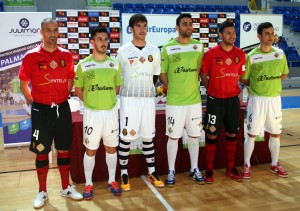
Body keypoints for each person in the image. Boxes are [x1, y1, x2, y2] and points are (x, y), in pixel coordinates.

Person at [19, 18, 83, 209]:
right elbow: (23, 85)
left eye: (55, 30)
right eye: (48, 30)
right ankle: (42, 192)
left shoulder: (66, 55)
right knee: (41, 151)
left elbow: (70, 80)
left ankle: (66, 187)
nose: (52, 34)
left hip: (62, 109)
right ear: (41, 32)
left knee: (64, 149)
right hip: (41, 110)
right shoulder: (31, 56)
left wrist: (62, 95)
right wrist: (35, 103)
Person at [116, 14, 164, 191]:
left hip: (147, 100)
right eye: (138, 26)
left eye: (145, 26)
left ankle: (152, 172)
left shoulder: (154, 50)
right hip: (129, 100)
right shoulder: (123, 51)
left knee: (148, 136)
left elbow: (156, 75)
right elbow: (116, 76)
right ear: (131, 29)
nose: (142, 29)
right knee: (126, 137)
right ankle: (124, 174)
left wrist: (145, 91)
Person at [74, 27, 123, 199]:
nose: (104, 42)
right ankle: (88, 184)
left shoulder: (114, 64)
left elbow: (116, 88)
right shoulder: (83, 65)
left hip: (110, 112)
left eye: (105, 39)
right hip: (92, 114)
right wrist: (90, 102)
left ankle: (111, 181)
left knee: (111, 147)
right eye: (100, 39)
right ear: (92, 42)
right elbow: (78, 90)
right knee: (91, 149)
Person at [160, 13, 205, 187]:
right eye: (184, 24)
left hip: (194, 101)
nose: (188, 27)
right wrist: (172, 88)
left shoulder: (199, 47)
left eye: (190, 24)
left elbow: (199, 70)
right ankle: (171, 170)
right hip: (175, 102)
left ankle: (194, 168)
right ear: (178, 28)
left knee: (194, 137)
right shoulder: (168, 47)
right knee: (173, 138)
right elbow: (163, 73)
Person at [241, 22, 289, 179]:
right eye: (267, 34)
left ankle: (274, 164)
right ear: (259, 36)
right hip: (257, 101)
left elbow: (284, 74)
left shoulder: (280, 54)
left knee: (275, 134)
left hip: (274, 100)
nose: (271, 37)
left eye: (272, 33)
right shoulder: (251, 56)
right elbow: (245, 79)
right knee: (252, 134)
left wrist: (270, 83)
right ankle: (246, 165)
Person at [200, 21, 246, 184]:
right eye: (228, 33)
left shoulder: (240, 54)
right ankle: (209, 170)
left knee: (232, 133)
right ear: (220, 35)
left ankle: (230, 168)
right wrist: (211, 89)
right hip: (215, 101)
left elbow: (241, 75)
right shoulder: (211, 53)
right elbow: (203, 75)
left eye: (233, 32)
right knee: (211, 134)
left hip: (233, 100)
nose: (232, 35)